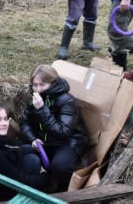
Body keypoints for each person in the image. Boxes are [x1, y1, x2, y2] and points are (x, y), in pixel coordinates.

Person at [20, 64, 89, 192]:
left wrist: (42, 109)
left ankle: (62, 191)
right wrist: (33, 139)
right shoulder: (35, 97)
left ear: (53, 83)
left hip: (69, 140)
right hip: (45, 139)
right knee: (21, 151)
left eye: (42, 85)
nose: (38, 89)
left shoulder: (67, 101)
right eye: (35, 85)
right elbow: (25, 123)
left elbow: (62, 132)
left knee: (60, 166)